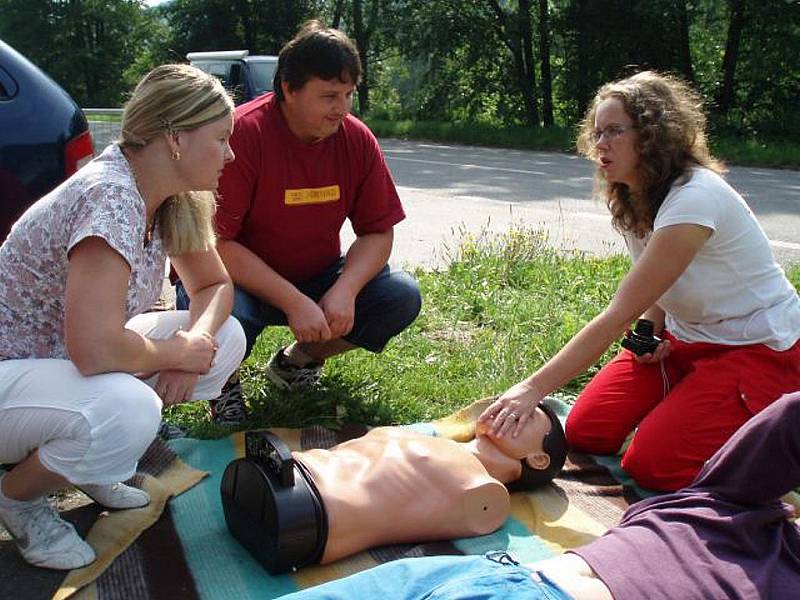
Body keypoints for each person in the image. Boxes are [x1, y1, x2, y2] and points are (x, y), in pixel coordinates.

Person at [480, 71, 800, 491]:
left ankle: (775, 430)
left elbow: (617, 316)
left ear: (653, 135)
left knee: (655, 465)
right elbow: (660, 286)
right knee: (586, 430)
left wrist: (531, 388)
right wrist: (650, 331)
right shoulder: (634, 193)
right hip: (683, 343)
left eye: (614, 131)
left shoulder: (695, 197)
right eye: (596, 133)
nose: (600, 145)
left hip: (759, 349)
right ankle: (697, 406)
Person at [0, 64, 246, 570]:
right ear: (175, 138)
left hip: (54, 365)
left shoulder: (165, 197)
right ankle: (18, 498)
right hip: (13, 370)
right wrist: (175, 351)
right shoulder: (110, 197)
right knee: (128, 408)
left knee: (227, 335)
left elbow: (215, 285)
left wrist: (192, 350)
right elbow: (94, 349)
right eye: (221, 139)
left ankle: (87, 462)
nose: (231, 154)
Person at [272, 390, 800, 600]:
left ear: (541, 461)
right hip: (488, 576)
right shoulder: (727, 498)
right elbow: (791, 415)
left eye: (527, 419)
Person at [176, 21, 422, 424]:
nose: (342, 108)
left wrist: (344, 289)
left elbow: (378, 231)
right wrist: (293, 302)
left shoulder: (356, 139)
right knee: (224, 310)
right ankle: (223, 386)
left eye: (348, 95)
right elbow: (216, 244)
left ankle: (296, 363)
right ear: (288, 89)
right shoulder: (241, 135)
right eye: (328, 96)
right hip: (238, 282)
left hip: (316, 276)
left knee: (400, 295)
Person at [225, 400, 567, 570]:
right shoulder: (444, 446)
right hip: (284, 474)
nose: (510, 410)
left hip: (304, 517)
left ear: (538, 459)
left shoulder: (487, 496)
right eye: (510, 405)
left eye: (526, 416)